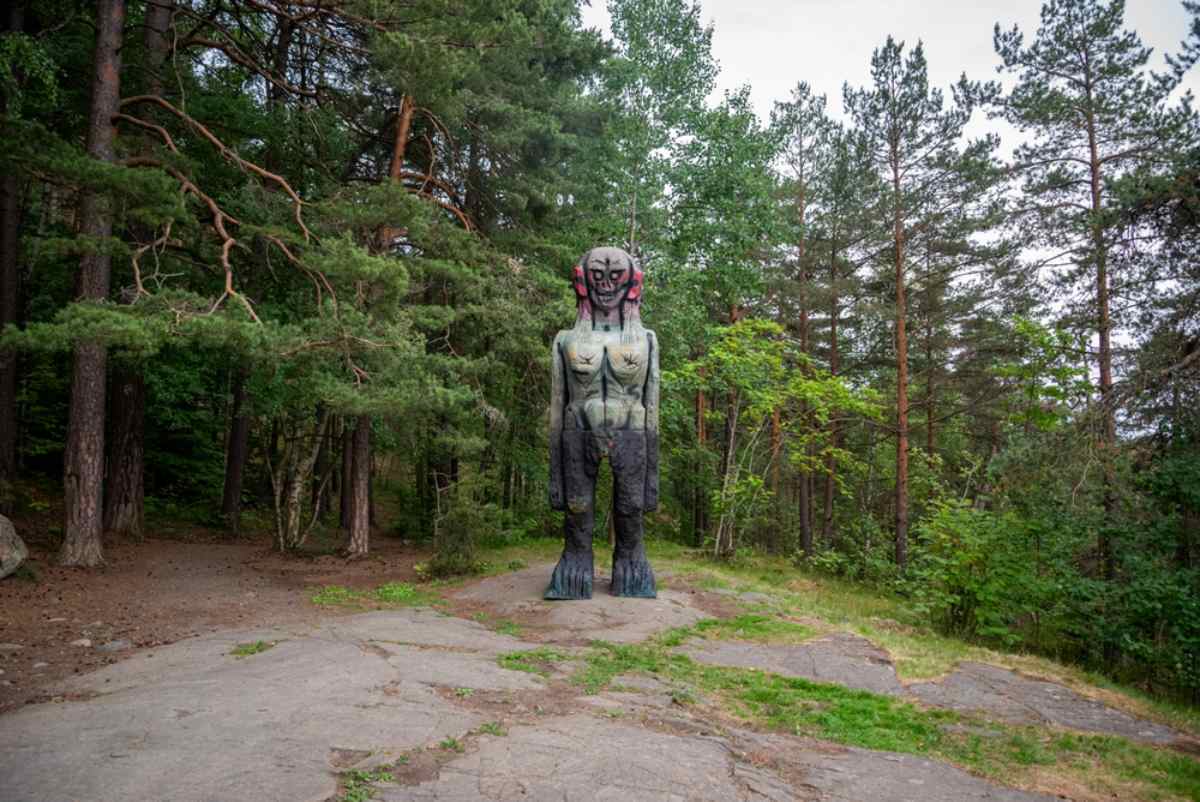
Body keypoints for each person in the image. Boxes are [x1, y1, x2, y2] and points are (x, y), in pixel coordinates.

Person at [546, 246, 659, 599]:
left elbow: (652, 406)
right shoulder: (566, 340)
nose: (606, 284)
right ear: (582, 279)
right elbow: (556, 406)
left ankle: (631, 566)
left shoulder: (646, 338)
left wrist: (652, 476)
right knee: (578, 509)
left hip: (633, 431)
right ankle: (575, 565)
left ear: (632, 282)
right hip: (577, 431)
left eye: (615, 275)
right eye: (598, 274)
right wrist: (555, 476)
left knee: (630, 508)